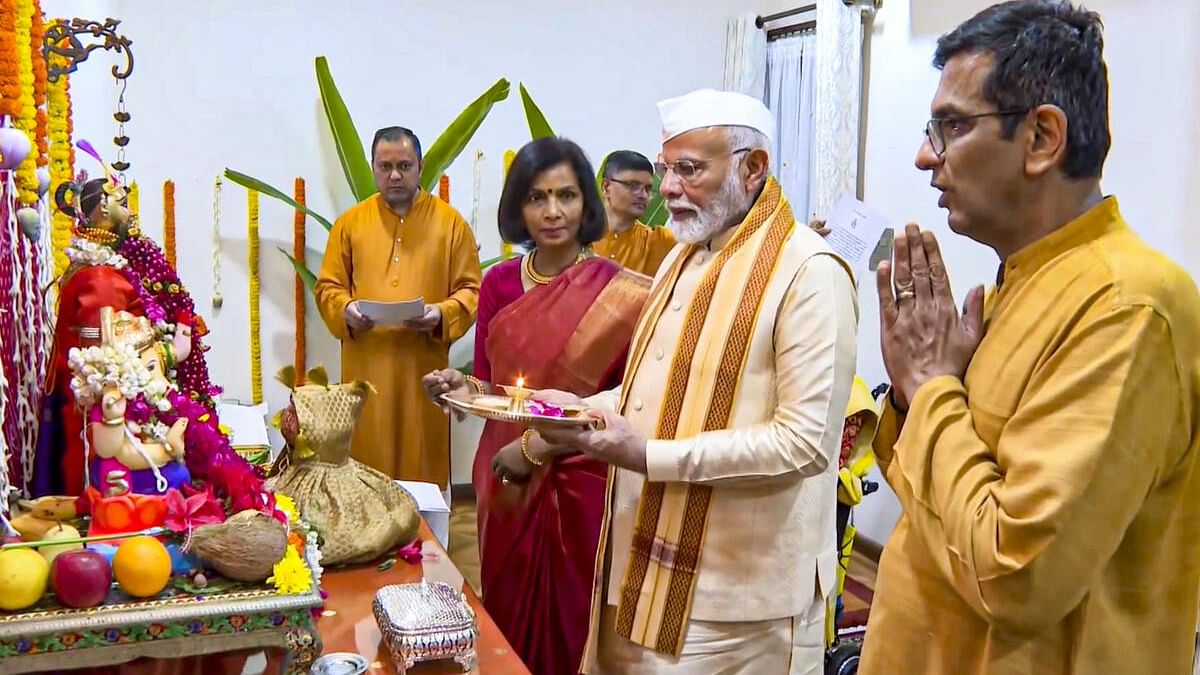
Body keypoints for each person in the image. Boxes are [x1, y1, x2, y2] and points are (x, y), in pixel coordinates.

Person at [860, 2, 1200, 674]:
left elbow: (1015, 575)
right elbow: (938, 504)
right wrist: (917, 390)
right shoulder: (1016, 284)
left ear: (1041, 138)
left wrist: (931, 389)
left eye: (951, 126)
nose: (926, 154)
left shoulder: (1127, 306)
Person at [533, 89, 858, 674]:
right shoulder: (682, 258)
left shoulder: (808, 273)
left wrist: (648, 455)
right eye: (665, 170)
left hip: (738, 600)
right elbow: (652, 390)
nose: (667, 189)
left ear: (752, 168)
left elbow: (806, 444)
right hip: (645, 564)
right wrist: (579, 410)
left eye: (689, 170)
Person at [422, 137, 651, 675]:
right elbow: (492, 387)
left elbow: (626, 400)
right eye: (536, 197)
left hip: (583, 473)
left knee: (574, 615)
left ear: (587, 203)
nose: (552, 212)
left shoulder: (620, 294)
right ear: (517, 208)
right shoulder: (500, 281)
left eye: (566, 196)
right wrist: (457, 385)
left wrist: (541, 445)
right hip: (503, 476)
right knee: (506, 603)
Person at [316, 127, 481, 491]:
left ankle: (426, 545)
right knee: (365, 468)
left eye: (404, 165)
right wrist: (346, 309)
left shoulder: (451, 224)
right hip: (366, 370)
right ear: (373, 168)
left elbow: (471, 291)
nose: (394, 175)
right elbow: (328, 288)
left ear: (420, 167)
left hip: (422, 371)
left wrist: (440, 314)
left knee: (421, 466)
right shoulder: (350, 224)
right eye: (385, 166)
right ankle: (368, 545)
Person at [592, 150, 676, 276]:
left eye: (647, 189)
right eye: (632, 186)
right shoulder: (574, 237)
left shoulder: (661, 241)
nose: (643, 195)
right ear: (606, 187)